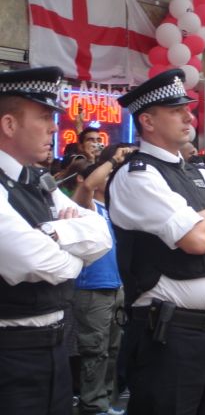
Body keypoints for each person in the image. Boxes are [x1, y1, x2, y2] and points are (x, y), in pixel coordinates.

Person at [107, 69, 205, 415]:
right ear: (147, 120)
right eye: (176, 111)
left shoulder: (201, 173)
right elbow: (195, 240)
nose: (188, 116)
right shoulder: (138, 176)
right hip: (169, 336)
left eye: (187, 108)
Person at [0, 66, 112, 415]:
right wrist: (74, 253)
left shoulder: (38, 180)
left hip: (54, 345)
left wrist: (52, 233)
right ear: (9, 125)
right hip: (9, 351)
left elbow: (100, 234)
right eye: (45, 117)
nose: (54, 127)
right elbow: (34, 262)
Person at [72, 145, 138, 415]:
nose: (110, 181)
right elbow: (87, 185)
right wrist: (114, 160)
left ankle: (107, 401)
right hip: (93, 289)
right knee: (95, 350)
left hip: (117, 287)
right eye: (108, 177)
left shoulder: (116, 210)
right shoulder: (88, 208)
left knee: (113, 349)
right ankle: (93, 404)